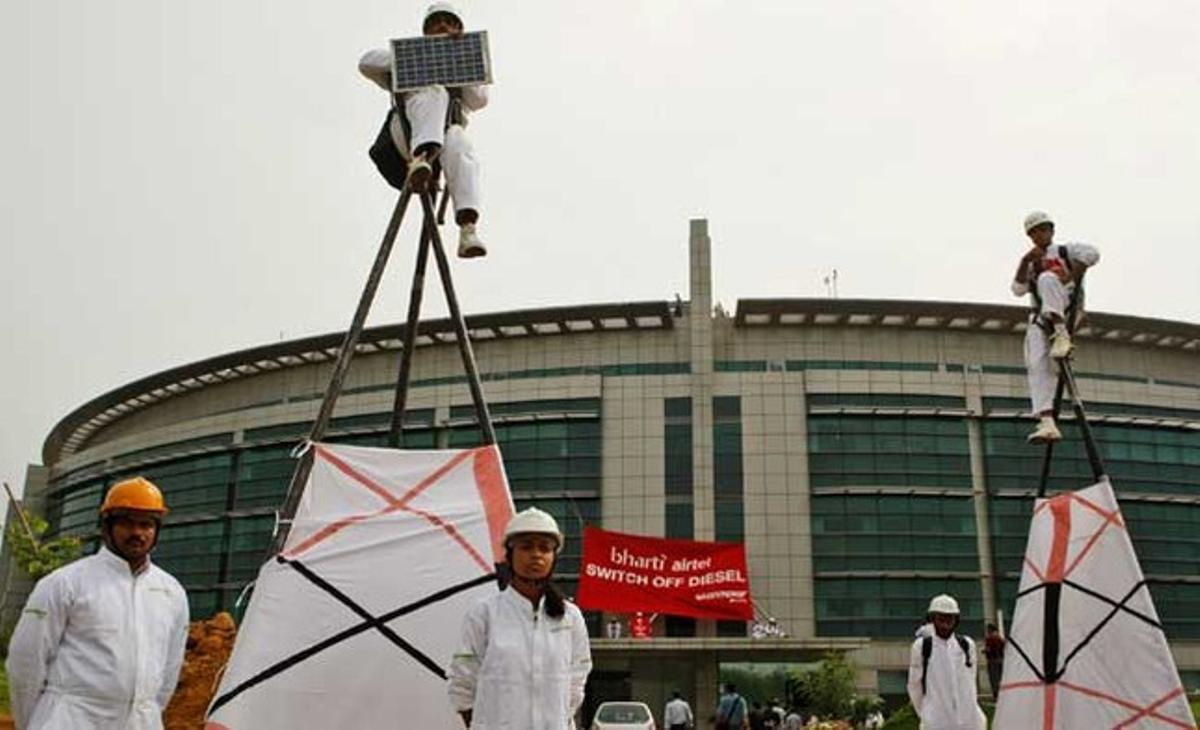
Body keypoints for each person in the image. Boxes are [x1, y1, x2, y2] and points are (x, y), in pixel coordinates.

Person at [5, 477, 190, 729]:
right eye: (126, 523)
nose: (137, 532)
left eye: (146, 524)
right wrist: (32, 722)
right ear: (106, 527)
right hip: (72, 719)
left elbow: (170, 669)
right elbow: (26, 661)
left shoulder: (171, 592)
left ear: (156, 530)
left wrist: (146, 711)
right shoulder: (65, 583)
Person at [359, 2, 490, 258]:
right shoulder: (406, 63)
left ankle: (467, 226)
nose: (443, 26)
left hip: (445, 152)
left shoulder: (463, 70)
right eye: (436, 23)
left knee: (458, 136)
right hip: (407, 142)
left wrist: (462, 56)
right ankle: (421, 157)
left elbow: (480, 99)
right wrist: (418, 55)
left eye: (449, 23)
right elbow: (366, 63)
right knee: (434, 91)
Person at [448, 507, 592, 728]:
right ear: (509, 554)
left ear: (554, 557)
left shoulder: (570, 617)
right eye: (526, 547)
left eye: (545, 548)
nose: (536, 555)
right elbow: (463, 679)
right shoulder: (484, 613)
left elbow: (577, 679)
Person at [1011, 210, 1101, 442]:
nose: (1039, 235)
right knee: (1037, 363)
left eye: (1043, 230)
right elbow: (1018, 290)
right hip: (1041, 317)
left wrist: (1070, 276)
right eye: (1034, 233)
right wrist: (1025, 261)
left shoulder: (1064, 251)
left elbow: (1092, 253)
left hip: (1067, 310)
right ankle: (1047, 421)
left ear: (1051, 230)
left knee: (1047, 278)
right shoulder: (1031, 262)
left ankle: (1061, 333)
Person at [906, 594, 985, 730]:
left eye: (950, 617)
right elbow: (914, 685)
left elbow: (971, 681)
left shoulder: (967, 645)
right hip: (936, 722)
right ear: (932, 619)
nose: (945, 622)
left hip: (970, 722)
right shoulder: (922, 647)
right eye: (941, 617)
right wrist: (926, 713)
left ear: (956, 619)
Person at [983, 623, 1005, 699]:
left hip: (993, 661)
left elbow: (989, 649)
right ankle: (1002, 693)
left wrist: (985, 651)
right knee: (1000, 677)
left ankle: (996, 695)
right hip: (1001, 660)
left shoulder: (990, 638)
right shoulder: (1000, 638)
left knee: (994, 679)